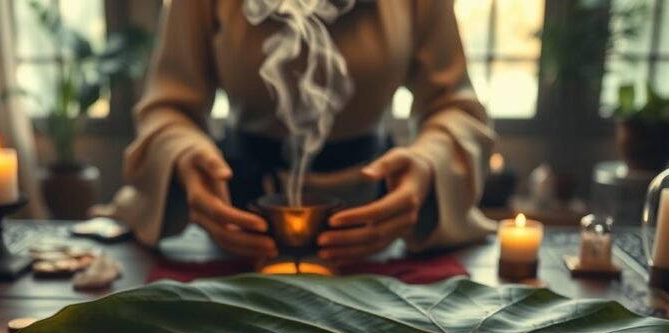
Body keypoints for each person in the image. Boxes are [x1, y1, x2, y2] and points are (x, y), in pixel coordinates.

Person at [112, 0, 496, 264]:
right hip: (239, 220)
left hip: (372, 223)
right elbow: (167, 107)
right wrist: (183, 155)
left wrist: (426, 165)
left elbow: (454, 107)